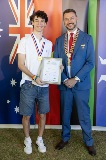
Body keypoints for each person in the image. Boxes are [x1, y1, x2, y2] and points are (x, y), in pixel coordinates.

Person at [54, 9, 96, 156]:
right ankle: (65, 138)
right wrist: (65, 79)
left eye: (72, 18)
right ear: (64, 21)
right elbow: (56, 63)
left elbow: (90, 63)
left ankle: (89, 142)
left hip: (81, 84)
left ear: (77, 19)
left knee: (84, 114)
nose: (69, 21)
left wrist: (75, 79)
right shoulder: (59, 40)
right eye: (66, 19)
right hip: (65, 83)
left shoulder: (87, 38)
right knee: (65, 113)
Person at [17, 10, 52, 154]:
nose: (39, 23)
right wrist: (33, 77)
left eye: (42, 21)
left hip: (44, 86)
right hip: (28, 84)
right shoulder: (24, 40)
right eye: (36, 20)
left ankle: (39, 138)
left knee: (42, 114)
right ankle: (27, 139)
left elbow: (49, 64)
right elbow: (20, 64)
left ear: (45, 24)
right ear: (32, 22)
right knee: (27, 115)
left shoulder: (48, 43)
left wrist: (57, 67)